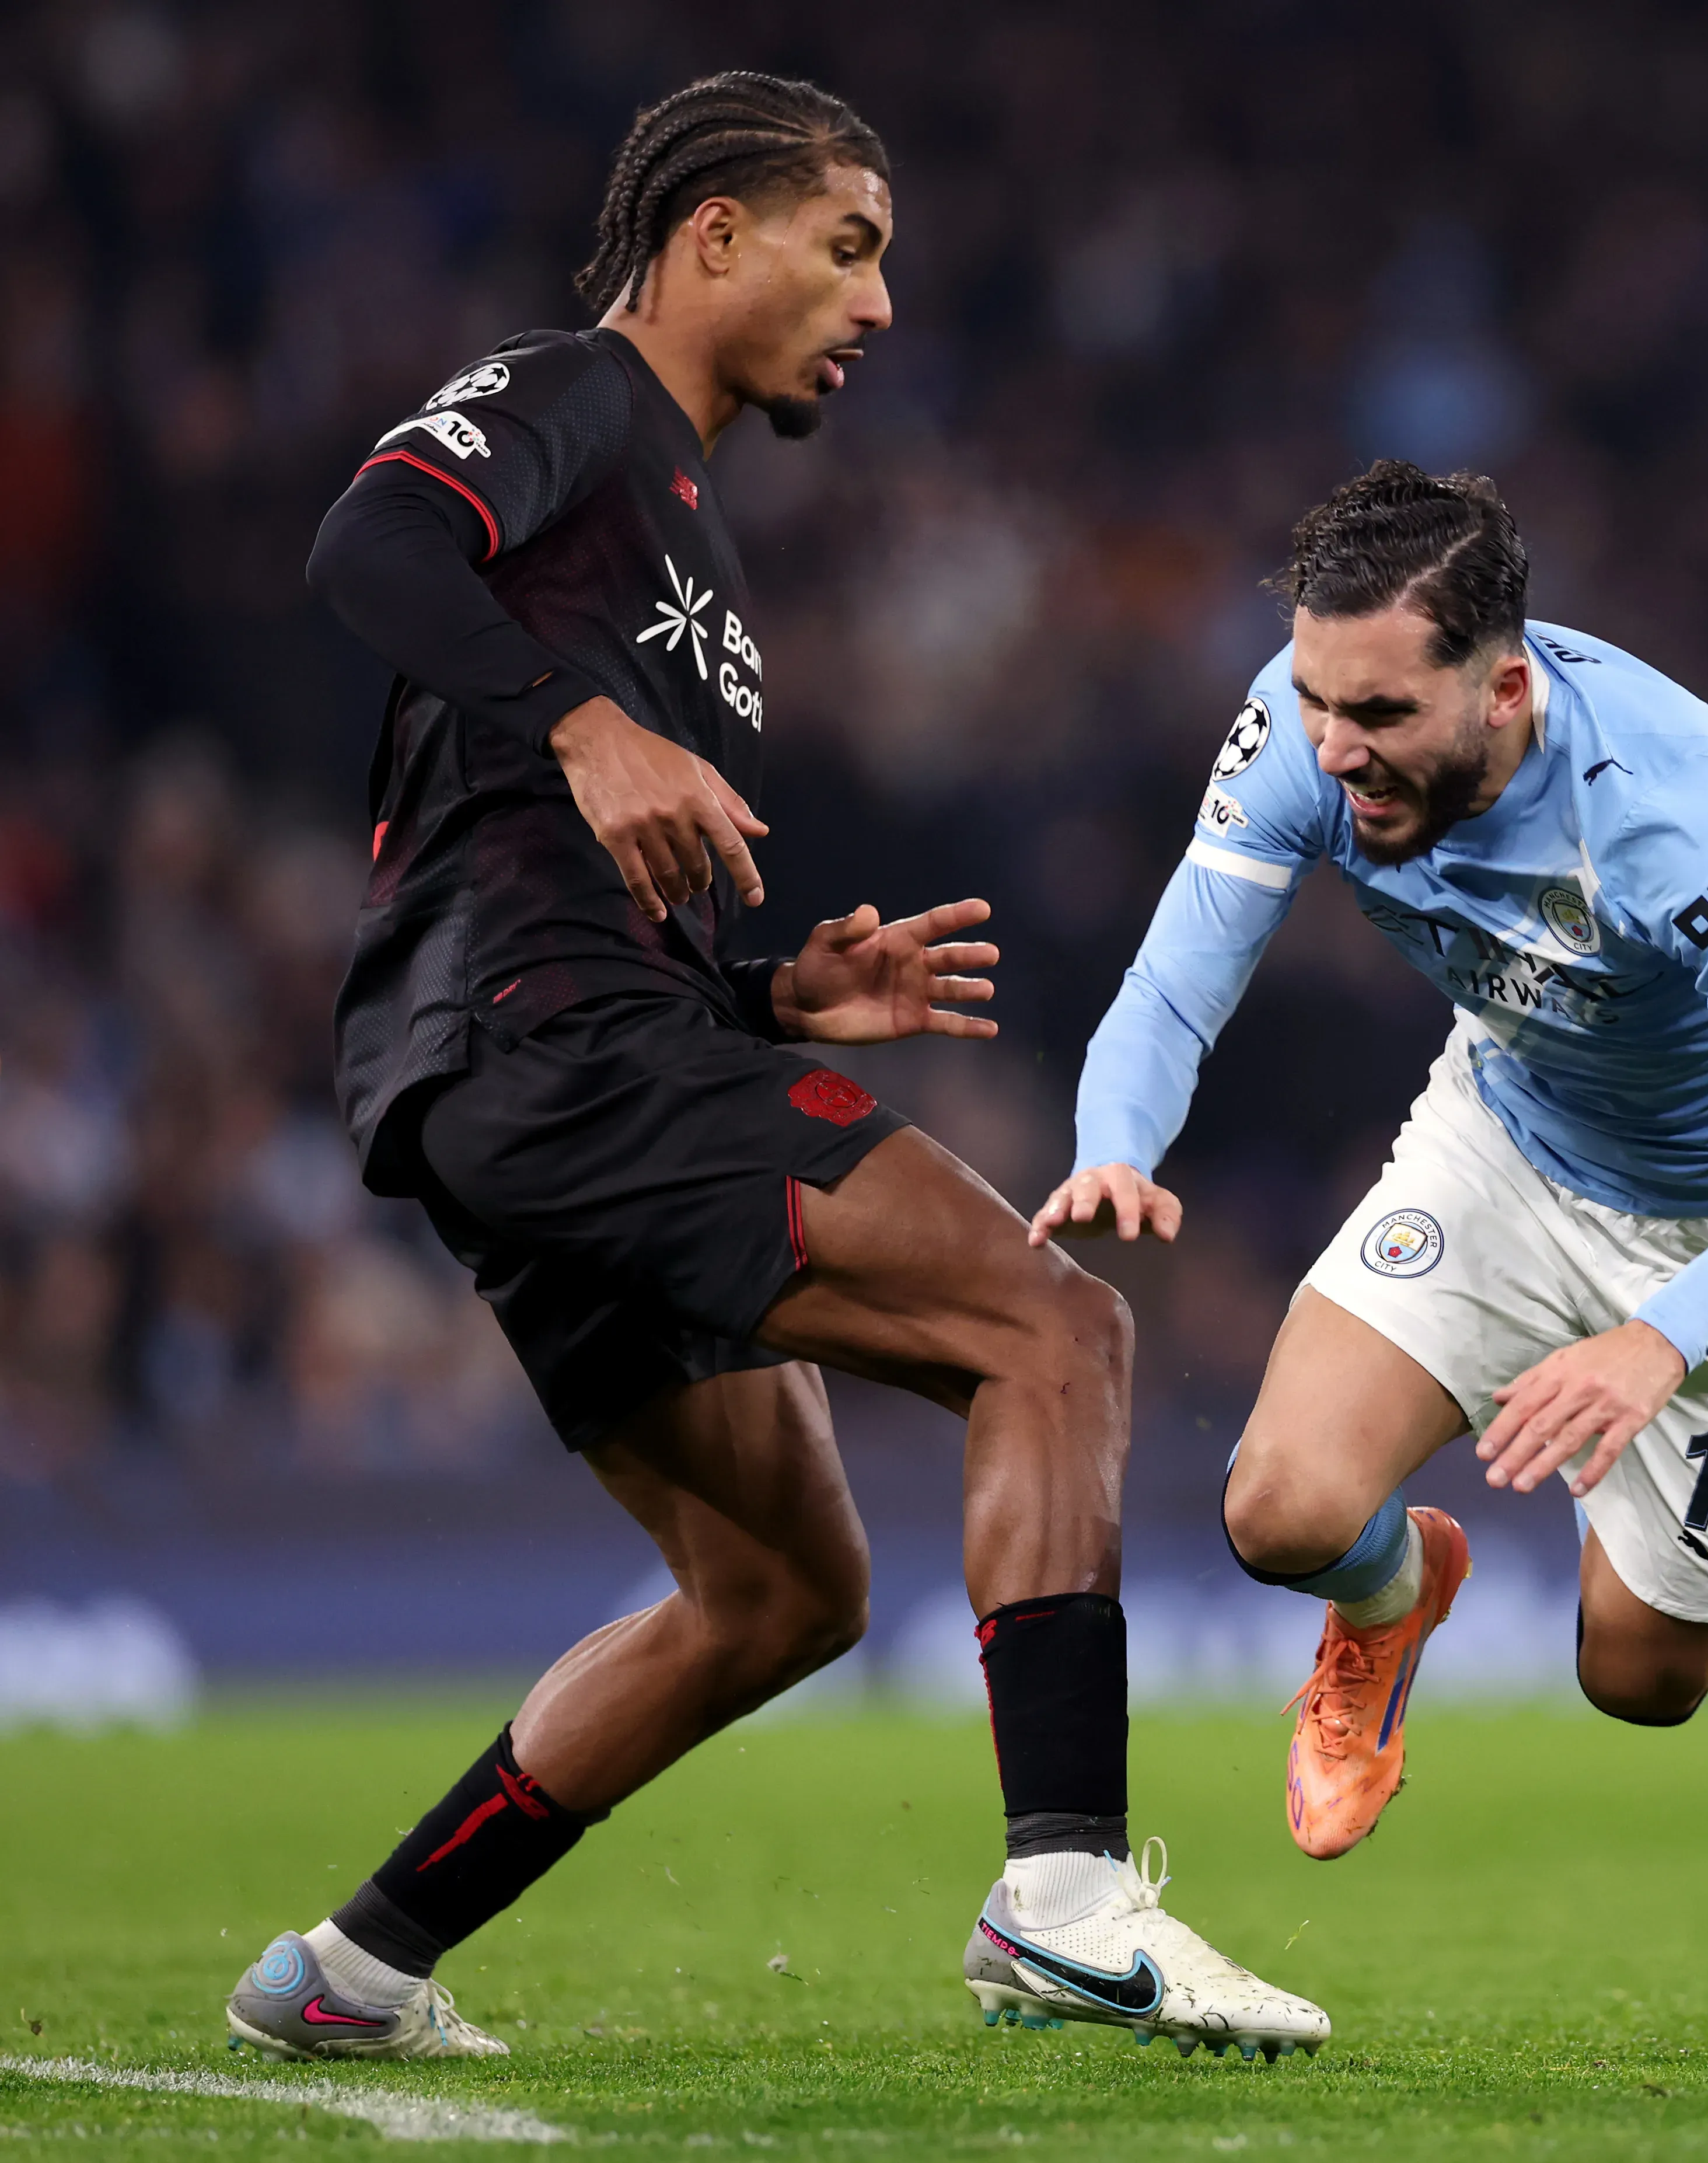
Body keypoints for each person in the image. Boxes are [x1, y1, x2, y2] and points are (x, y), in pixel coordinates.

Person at [225, 71, 1323, 2064]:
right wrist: (582, 724)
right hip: (543, 1045)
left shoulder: (693, 549)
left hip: (554, 1051)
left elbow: (533, 842)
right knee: (1051, 1330)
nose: (880, 299)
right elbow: (368, 543)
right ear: (710, 236)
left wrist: (765, 999)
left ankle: (355, 1966)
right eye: (850, 243)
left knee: (777, 1589)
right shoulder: (575, 397)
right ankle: (1064, 1891)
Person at [1032, 461, 1708, 1860]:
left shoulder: (1675, 819)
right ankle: (1392, 1598)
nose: (1334, 750)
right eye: (1316, 700)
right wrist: (1116, 1146)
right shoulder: (1305, 729)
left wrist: (1656, 1340)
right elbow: (1170, 985)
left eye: (1382, 714)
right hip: (1511, 1139)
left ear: (1506, 690)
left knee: (1639, 1680)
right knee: (1282, 1508)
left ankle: (1640, 1494)